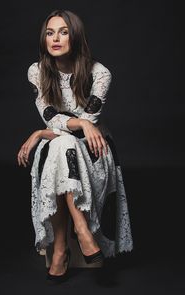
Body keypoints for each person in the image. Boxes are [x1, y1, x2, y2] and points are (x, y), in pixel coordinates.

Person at [17, 9, 133, 283]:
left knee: (63, 142)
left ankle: (60, 249)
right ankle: (81, 230)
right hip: (61, 146)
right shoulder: (37, 71)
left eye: (64, 32)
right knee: (62, 143)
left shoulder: (100, 73)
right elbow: (51, 117)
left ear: (76, 36)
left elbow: (87, 121)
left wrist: (43, 133)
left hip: (93, 152)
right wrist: (52, 127)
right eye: (50, 32)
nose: (55, 38)